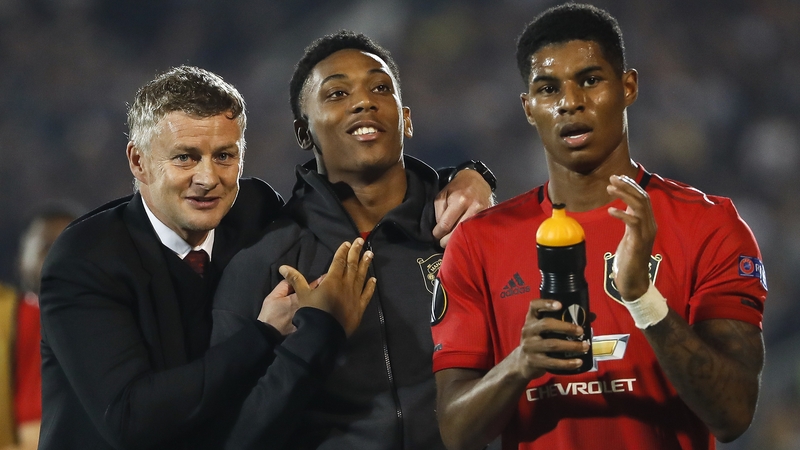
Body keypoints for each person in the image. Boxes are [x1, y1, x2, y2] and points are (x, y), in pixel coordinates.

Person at [38, 64, 489, 449]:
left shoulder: (252, 210)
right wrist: (264, 333)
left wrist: (466, 178)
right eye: (185, 158)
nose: (207, 178)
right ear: (138, 162)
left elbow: (354, 192)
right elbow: (131, 420)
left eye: (224, 156)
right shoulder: (84, 260)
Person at [431, 4, 766, 450]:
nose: (570, 102)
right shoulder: (478, 243)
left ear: (628, 86)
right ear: (529, 108)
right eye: (549, 89)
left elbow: (733, 414)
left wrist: (643, 299)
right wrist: (520, 364)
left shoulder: (709, 225)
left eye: (589, 80)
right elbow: (455, 433)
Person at [211, 30, 495, 450]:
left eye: (380, 87)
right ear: (303, 133)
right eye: (337, 93)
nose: (364, 101)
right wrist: (314, 336)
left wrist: (478, 176)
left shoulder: (467, 229)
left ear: (407, 118)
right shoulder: (266, 262)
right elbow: (229, 433)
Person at [0, 206, 77, 450]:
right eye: (46, 246)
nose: (58, 256)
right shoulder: (5, 316)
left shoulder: (111, 322)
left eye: (70, 247)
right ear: (22, 256)